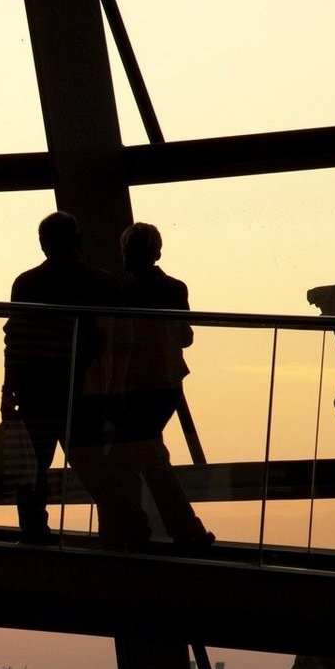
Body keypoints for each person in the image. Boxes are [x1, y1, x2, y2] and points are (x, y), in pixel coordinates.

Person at [89, 222, 213, 548]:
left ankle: (165, 531)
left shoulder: (123, 295)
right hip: (168, 384)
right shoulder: (175, 289)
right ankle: (180, 531)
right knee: (146, 454)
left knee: (142, 458)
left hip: (135, 387)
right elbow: (185, 336)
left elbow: (116, 345)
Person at [2, 212, 120, 544]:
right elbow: (108, 340)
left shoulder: (26, 283)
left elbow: (16, 338)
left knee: (32, 465)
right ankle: (117, 528)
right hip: (85, 388)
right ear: (77, 241)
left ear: (44, 244)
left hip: (35, 387)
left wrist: (8, 387)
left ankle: (34, 530)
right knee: (95, 463)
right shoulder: (100, 282)